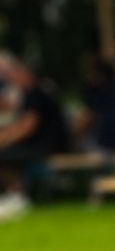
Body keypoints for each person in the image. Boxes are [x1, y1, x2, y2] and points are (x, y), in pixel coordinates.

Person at [0, 54, 69, 219]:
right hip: (42, 144)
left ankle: (16, 195)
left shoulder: (36, 93)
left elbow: (27, 127)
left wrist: (3, 139)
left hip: (48, 146)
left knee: (4, 156)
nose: (12, 80)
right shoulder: (35, 92)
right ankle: (15, 194)